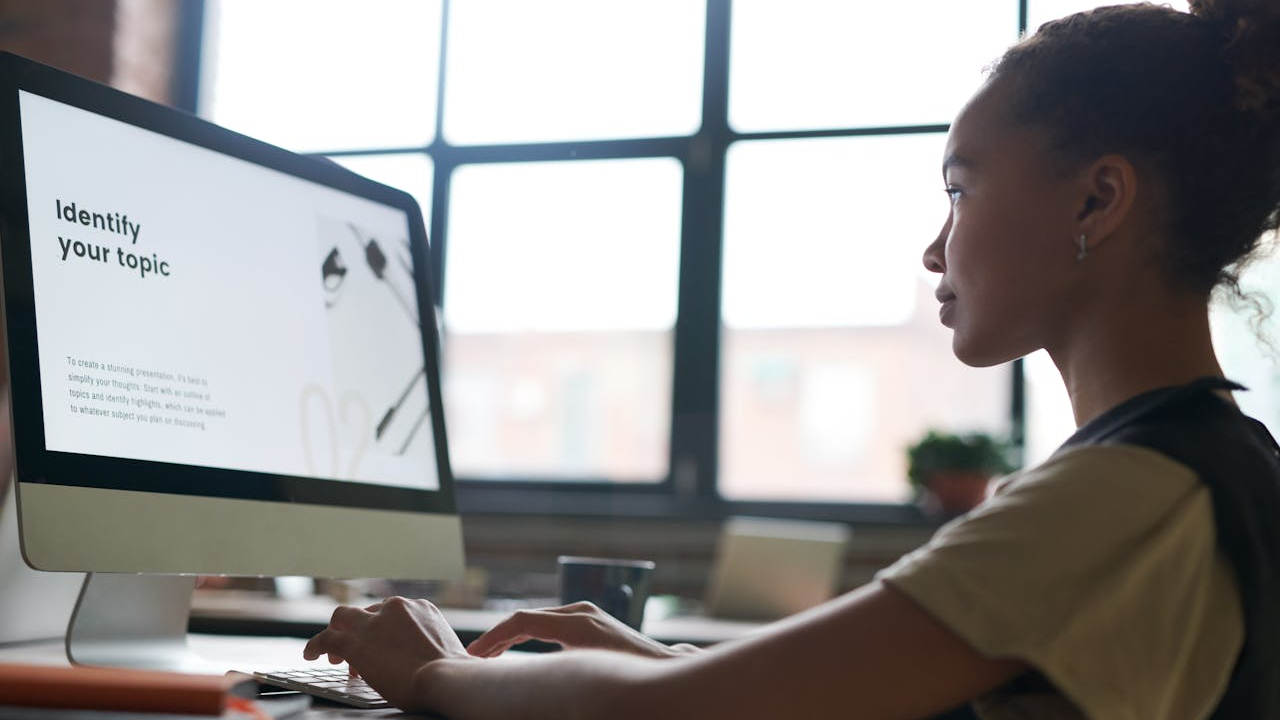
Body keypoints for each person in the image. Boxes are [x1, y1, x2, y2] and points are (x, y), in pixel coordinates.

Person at [302, 1, 1280, 717]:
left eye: (960, 189)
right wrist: (658, 659)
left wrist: (438, 672)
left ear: (1094, 202)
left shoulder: (1118, 500)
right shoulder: (1212, 469)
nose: (935, 249)